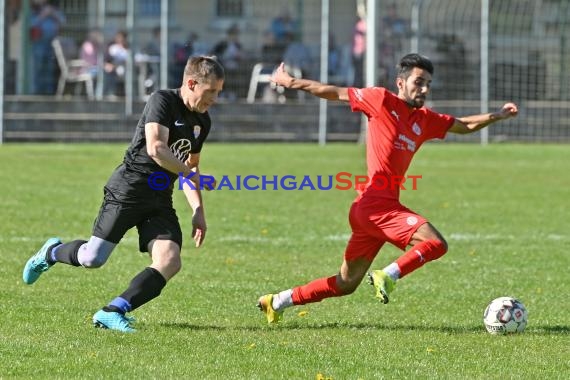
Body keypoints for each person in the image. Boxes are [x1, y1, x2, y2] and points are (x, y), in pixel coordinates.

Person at [257, 53, 518, 324]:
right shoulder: (380, 99)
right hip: (376, 205)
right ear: (401, 83)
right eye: (419, 82)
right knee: (436, 243)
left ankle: (276, 301)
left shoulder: (425, 119)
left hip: (370, 211)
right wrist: (291, 81)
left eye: (428, 83)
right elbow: (334, 92)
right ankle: (388, 275)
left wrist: (496, 116)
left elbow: (464, 126)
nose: (425, 89)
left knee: (346, 283)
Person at [22, 56, 225, 333]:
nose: (214, 98)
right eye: (211, 91)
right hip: (128, 189)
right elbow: (156, 148)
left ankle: (113, 310)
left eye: (218, 92)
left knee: (170, 260)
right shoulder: (162, 101)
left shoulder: (203, 121)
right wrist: (191, 175)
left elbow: (191, 166)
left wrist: (198, 211)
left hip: (159, 197)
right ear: (191, 83)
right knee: (92, 259)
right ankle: (51, 252)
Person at [29, 0, 66, 94]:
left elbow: (63, 21)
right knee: (38, 68)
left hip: (52, 43)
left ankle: (49, 92)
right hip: (38, 43)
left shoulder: (52, 8)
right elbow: (30, 24)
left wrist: (52, 13)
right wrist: (43, 15)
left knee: (49, 69)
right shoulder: (32, 10)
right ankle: (36, 92)